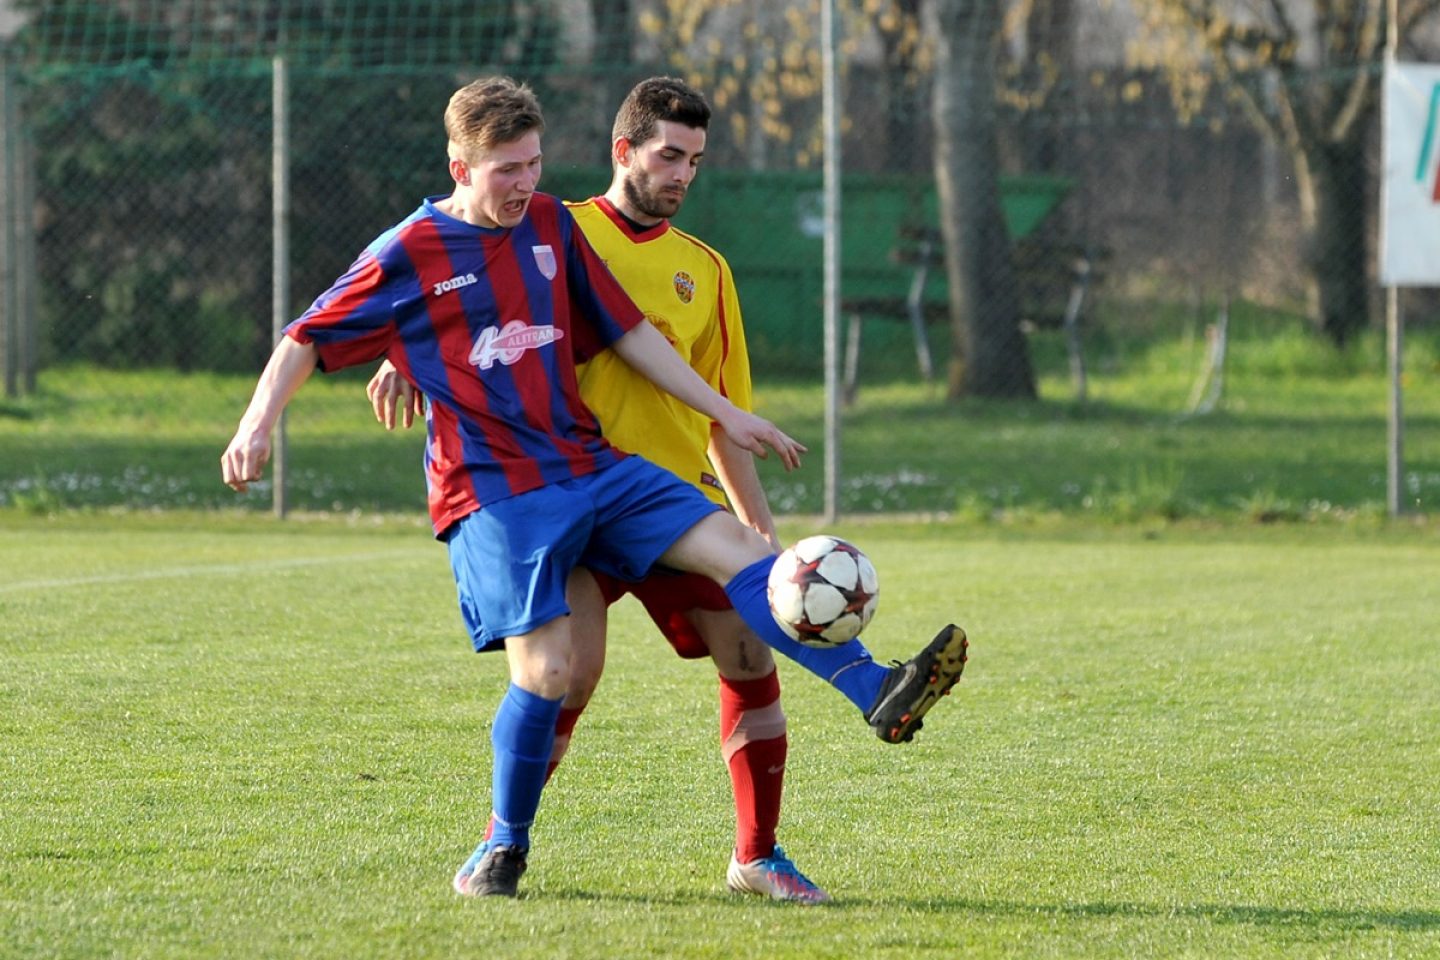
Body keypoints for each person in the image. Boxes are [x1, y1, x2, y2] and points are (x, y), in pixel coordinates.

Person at [221, 76, 967, 901]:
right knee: (549, 675)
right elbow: (307, 336)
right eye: (506, 168)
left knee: (740, 554)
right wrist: (259, 424)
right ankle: (502, 848)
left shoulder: (551, 226)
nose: (526, 183)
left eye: (535, 163)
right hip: (497, 490)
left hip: (591, 466)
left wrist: (729, 415)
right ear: (459, 165)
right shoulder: (410, 250)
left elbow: (626, 330)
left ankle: (876, 690)